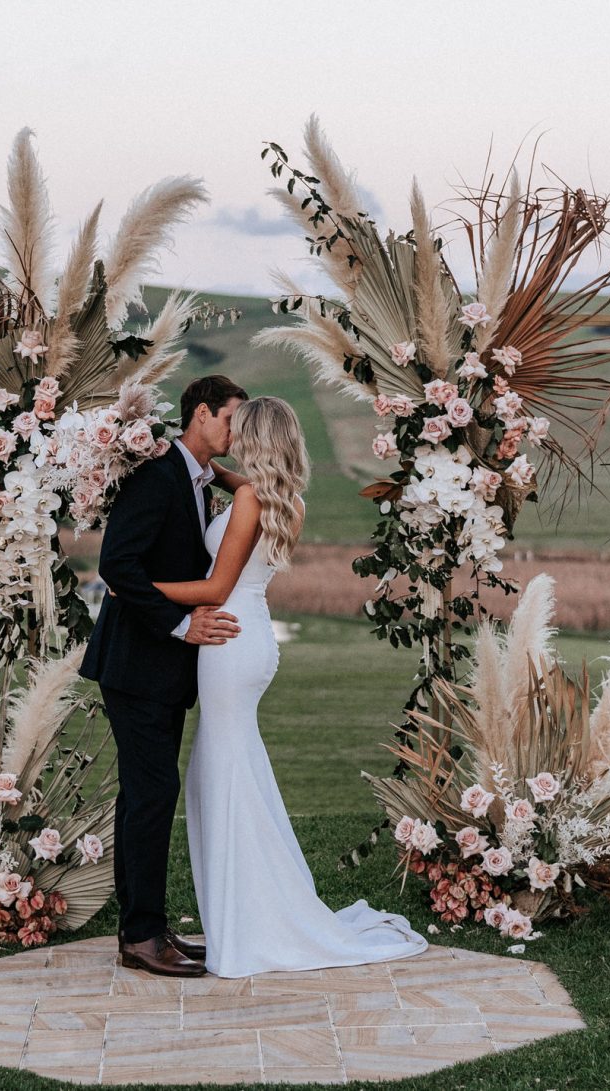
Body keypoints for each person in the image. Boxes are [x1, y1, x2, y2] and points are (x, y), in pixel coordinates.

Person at [153, 396, 427, 978]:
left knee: (224, 777)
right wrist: (197, 465)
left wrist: (136, 586)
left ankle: (252, 924)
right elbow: (232, 483)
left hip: (228, 635)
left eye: (240, 428)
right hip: (250, 637)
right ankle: (247, 913)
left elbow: (215, 587)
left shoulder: (251, 500)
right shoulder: (285, 500)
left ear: (255, 437)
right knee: (231, 770)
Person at [80, 374, 247, 977]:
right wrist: (180, 627)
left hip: (161, 671)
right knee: (153, 796)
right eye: (230, 418)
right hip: (136, 663)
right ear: (201, 414)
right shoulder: (156, 477)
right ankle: (142, 936)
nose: (236, 430)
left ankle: (143, 929)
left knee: (145, 797)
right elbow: (116, 565)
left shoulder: (197, 480)